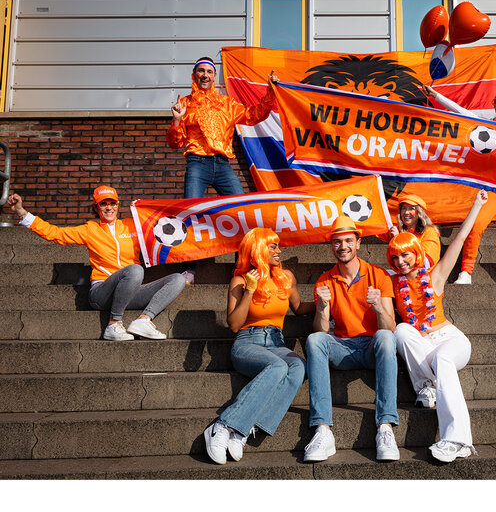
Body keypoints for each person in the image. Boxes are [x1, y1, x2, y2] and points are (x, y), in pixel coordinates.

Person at [387, 189, 489, 463]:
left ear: (417, 254)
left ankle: (458, 440)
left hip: (449, 340)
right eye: (396, 257)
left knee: (443, 358)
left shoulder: (435, 275)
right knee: (401, 330)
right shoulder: (391, 282)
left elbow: (460, 239)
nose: (402, 261)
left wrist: (477, 206)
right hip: (422, 346)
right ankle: (427, 386)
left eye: (407, 255)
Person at [6, 186, 186, 341]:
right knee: (135, 270)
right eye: (103, 204)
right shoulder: (90, 229)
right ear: (96, 208)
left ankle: (144, 320)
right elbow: (54, 233)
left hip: (130, 292)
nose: (109, 208)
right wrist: (21, 212)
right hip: (102, 293)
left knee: (178, 279)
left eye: (112, 203)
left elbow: (162, 228)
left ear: (117, 205)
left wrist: (143, 211)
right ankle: (113, 325)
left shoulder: (133, 226)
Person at [203, 227, 314, 465]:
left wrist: (325, 301)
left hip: (277, 341)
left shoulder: (287, 277)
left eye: (278, 245)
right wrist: (250, 291)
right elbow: (233, 324)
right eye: (272, 246)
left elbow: (299, 308)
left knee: (298, 367)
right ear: (257, 249)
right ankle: (222, 426)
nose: (278, 250)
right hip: (247, 341)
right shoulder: (240, 281)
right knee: (277, 368)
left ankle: (244, 426)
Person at [166, 56, 279, 285]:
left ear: (214, 76)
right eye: (201, 71)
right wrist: (177, 121)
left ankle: (244, 267)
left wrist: (272, 91)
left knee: (242, 212)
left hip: (223, 164)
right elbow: (175, 143)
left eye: (209, 71)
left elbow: (254, 114)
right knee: (191, 215)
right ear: (194, 75)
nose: (205, 75)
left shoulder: (227, 103)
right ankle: (189, 269)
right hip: (197, 163)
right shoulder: (185, 103)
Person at [303, 215, 399, 463]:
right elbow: (321, 332)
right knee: (314, 340)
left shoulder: (379, 275)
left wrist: (378, 306)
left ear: (358, 242)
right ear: (332, 246)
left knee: (387, 338)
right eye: (337, 242)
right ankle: (323, 430)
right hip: (342, 347)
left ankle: (385, 427)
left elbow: (389, 327)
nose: (343, 246)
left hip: (371, 347)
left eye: (348, 240)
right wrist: (323, 308)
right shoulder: (325, 280)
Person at [423, 84, 496, 284]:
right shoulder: (488, 126)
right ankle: (466, 272)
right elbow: (461, 112)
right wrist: (437, 96)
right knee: (475, 224)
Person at [379, 194, 440, 269]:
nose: (406, 212)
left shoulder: (429, 232)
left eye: (411, 209)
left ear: (419, 212)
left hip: (424, 278)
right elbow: (377, 230)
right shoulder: (398, 229)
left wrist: (398, 239)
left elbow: (426, 263)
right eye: (404, 208)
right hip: (402, 276)